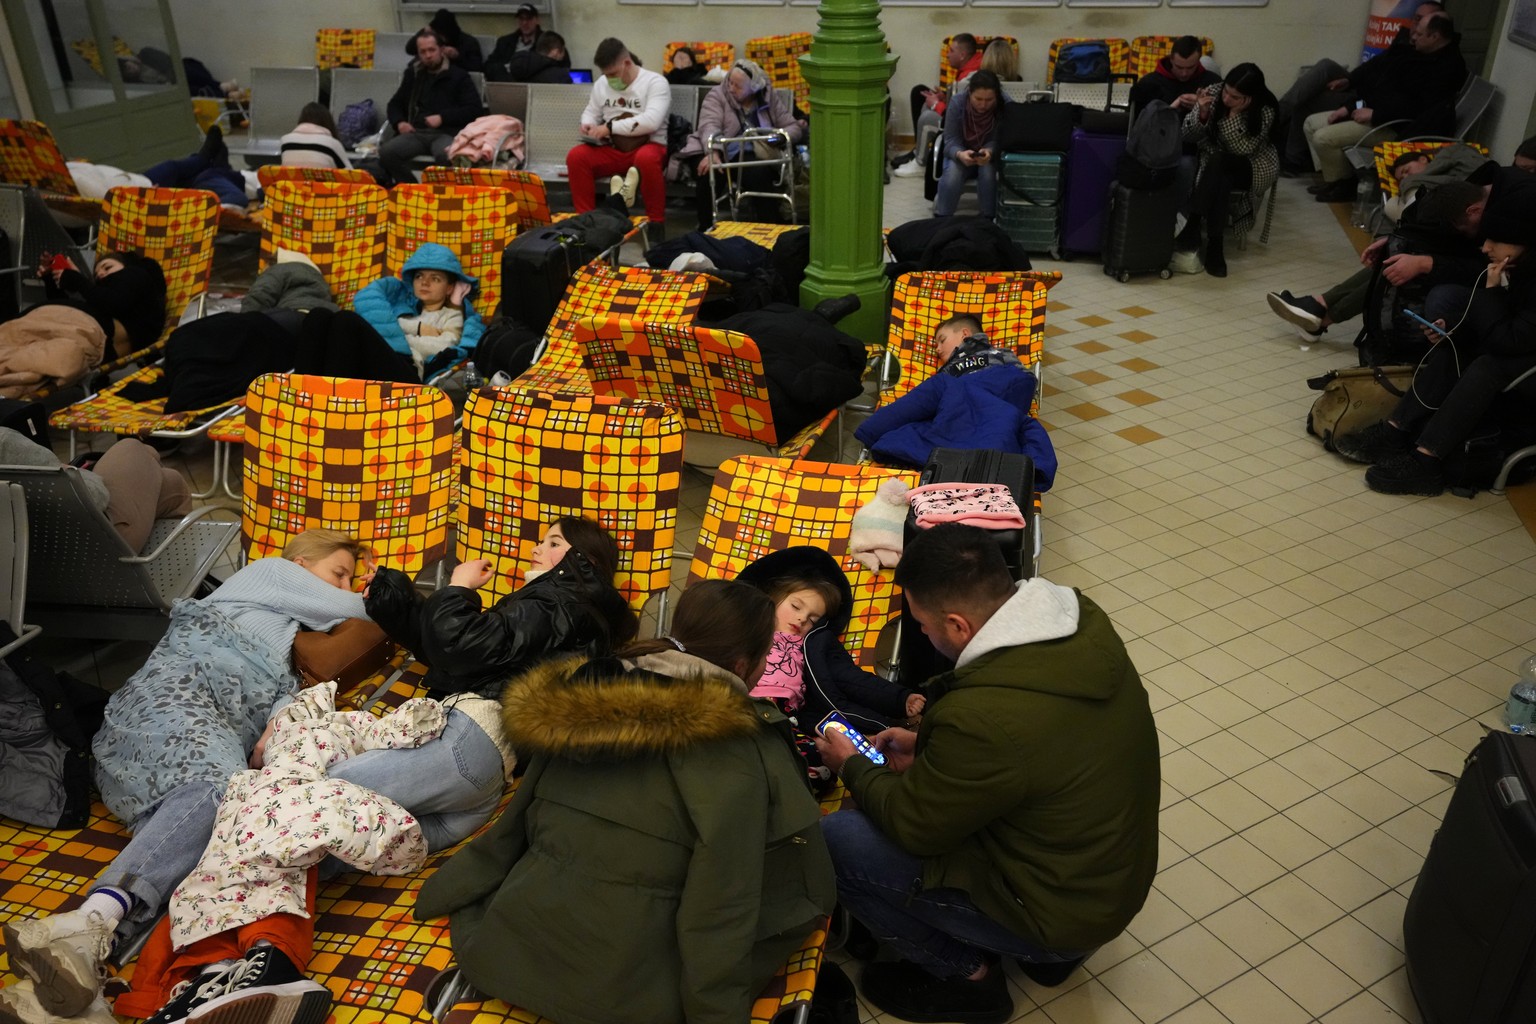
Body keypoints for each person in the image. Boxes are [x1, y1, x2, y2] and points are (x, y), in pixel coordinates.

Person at [413, 578, 836, 1024]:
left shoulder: (587, 701)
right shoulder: (743, 745)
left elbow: (516, 823)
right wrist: (715, 1011)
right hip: (625, 988)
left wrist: (453, 888)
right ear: (744, 662)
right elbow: (723, 900)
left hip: (514, 946)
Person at [0, 531, 370, 1019]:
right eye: (338, 573)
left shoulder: (288, 661)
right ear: (302, 563)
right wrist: (426, 589)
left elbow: (280, 727)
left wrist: (284, 723)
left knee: (226, 841)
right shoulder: (270, 574)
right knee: (226, 790)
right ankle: (89, 919)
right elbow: (362, 611)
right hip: (164, 710)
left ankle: (70, 984)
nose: (344, 587)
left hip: (173, 784)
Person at [814, 523, 1159, 1024]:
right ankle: (1055, 959)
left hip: (1060, 911)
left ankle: (970, 981)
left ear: (957, 626)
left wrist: (852, 767)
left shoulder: (982, 718)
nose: (925, 636)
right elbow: (1032, 749)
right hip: (1103, 883)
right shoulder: (1079, 621)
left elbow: (916, 826)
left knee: (839, 840)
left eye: (924, 626)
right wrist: (933, 742)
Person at [1335, 173, 1536, 496]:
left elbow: (1507, 341)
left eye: (1494, 242)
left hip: (1526, 361)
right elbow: (1504, 328)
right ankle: (1396, 430)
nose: (1484, 248)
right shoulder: (1519, 269)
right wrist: (1453, 330)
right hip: (1518, 343)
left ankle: (1427, 459)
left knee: (1487, 365)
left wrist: (1491, 293)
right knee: (1457, 343)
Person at [737, 546, 925, 789]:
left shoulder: (813, 644)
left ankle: (775, 781)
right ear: (771, 598)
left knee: (821, 762)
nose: (803, 618)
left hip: (784, 720)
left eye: (814, 619)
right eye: (796, 606)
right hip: (736, 704)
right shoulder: (744, 627)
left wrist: (900, 698)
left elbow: (851, 679)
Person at [1266, 180, 1492, 344]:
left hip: (1483, 284)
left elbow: (1484, 269)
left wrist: (1425, 262)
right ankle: (1318, 305)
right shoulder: (1485, 200)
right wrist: (1394, 242)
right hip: (1472, 268)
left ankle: (1320, 317)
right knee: (1397, 258)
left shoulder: (1499, 213)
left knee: (1401, 267)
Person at [854, 314, 1057, 487]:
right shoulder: (1004, 361)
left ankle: (964, 455)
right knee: (1018, 427)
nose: (937, 349)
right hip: (994, 420)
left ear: (965, 335)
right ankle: (983, 457)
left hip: (986, 398)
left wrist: (871, 431)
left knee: (918, 427)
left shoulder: (961, 371)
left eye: (942, 340)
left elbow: (912, 405)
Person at [1302, 12, 1467, 202]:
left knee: (1323, 138)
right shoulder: (1414, 52)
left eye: (1419, 34)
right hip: (1374, 111)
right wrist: (1349, 107)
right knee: (1311, 123)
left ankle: (1344, 184)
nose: (1413, 36)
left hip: (1397, 126)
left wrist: (1376, 114)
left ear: (1435, 36)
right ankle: (1334, 179)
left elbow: (1422, 111)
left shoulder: (1447, 68)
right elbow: (1376, 84)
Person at [1275, 0, 1445, 172]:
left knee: (1310, 97)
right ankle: (1275, 115)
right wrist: (1349, 80)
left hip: (1365, 101)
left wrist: (1355, 107)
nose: (1415, 28)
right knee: (1326, 66)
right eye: (1416, 19)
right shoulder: (1407, 42)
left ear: (1434, 33)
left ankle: (1291, 155)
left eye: (1421, 22)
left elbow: (1399, 100)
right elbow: (1373, 65)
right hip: (1363, 89)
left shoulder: (1431, 61)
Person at [0, 250, 166, 399]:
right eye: (97, 272)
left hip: (76, 328)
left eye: (107, 268)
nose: (100, 274)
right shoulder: (100, 300)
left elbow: (112, 302)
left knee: (47, 358)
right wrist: (52, 281)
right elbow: (65, 306)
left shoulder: (135, 276)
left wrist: (77, 279)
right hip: (44, 319)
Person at [0, 429, 189, 553]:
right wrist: (69, 470)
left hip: (31, 569)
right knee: (135, 448)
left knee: (163, 478)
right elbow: (97, 495)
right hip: (98, 549)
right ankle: (182, 583)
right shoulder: (5, 443)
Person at [674, 58, 806, 230]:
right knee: (709, 171)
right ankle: (706, 227)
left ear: (753, 89)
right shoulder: (717, 95)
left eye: (737, 86)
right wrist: (713, 151)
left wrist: (778, 138)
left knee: (761, 175)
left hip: (746, 152)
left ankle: (771, 229)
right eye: (730, 81)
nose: (730, 88)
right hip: (716, 147)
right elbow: (709, 124)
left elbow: (793, 127)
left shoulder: (767, 97)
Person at [1176, 62, 1278, 278]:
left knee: (1221, 163)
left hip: (1253, 165)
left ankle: (1193, 226)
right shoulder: (1212, 93)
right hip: (1217, 165)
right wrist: (1202, 114)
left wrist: (1233, 116)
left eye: (1235, 97)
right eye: (1226, 92)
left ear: (1249, 97)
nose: (1226, 99)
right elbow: (1187, 134)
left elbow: (1243, 149)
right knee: (1220, 177)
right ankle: (1215, 246)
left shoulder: (1265, 109)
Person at [566, 37, 671, 227]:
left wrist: (609, 127)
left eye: (613, 73)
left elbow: (651, 122)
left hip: (648, 146)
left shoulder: (655, 82)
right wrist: (588, 124)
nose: (609, 79)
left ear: (627, 63)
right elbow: (591, 111)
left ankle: (656, 223)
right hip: (614, 148)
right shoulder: (601, 84)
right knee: (576, 157)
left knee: (647, 159)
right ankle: (585, 221)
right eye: (606, 75)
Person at [345, 242, 485, 382]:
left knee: (347, 320)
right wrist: (417, 328)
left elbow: (444, 346)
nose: (425, 282)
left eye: (435, 278)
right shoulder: (401, 307)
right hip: (377, 361)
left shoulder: (451, 315)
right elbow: (373, 311)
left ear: (449, 288)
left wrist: (391, 338)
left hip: (409, 371)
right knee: (336, 319)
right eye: (419, 276)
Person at [380, 29, 486, 186]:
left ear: (441, 50)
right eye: (423, 52)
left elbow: (474, 109)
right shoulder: (413, 74)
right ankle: (411, 188)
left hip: (447, 133)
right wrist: (400, 122)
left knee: (445, 156)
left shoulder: (459, 76)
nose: (428, 56)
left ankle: (438, 194)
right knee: (387, 152)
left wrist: (443, 117)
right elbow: (394, 104)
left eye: (431, 50)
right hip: (417, 132)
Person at [895, 34, 981, 175]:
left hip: (965, 127)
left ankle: (921, 163)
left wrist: (937, 105)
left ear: (962, 55)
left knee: (927, 117)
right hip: (962, 119)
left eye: (951, 51)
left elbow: (961, 114)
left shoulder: (970, 78)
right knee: (922, 95)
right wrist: (944, 98)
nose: (947, 55)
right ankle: (920, 153)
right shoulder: (969, 69)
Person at [934, 70, 1006, 220]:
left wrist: (990, 151)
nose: (983, 105)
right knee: (953, 172)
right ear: (969, 93)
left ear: (997, 97)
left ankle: (988, 218)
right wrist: (960, 154)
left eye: (989, 100)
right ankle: (942, 219)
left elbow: (1004, 140)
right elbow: (950, 140)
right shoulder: (957, 102)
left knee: (987, 171)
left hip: (990, 155)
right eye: (978, 99)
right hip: (961, 151)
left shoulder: (1005, 104)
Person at [1128, 35, 1221, 115]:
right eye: (1179, 67)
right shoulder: (1148, 84)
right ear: (1171, 59)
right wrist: (1170, 111)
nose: (1184, 73)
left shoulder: (1212, 82)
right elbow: (1139, 125)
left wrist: (1204, 108)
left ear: (1198, 61)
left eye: (1190, 67)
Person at [403, 7, 484, 72]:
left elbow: (476, 68)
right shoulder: (433, 39)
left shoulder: (469, 43)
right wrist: (423, 33)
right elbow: (409, 49)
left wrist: (457, 56)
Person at [279, 102, 352, 169]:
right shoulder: (332, 144)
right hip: (322, 183)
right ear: (327, 121)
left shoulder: (285, 141)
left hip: (291, 183)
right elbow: (350, 174)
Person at [485, 30, 570, 84]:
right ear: (555, 52)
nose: (563, 56)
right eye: (562, 52)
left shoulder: (514, 68)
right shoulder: (560, 76)